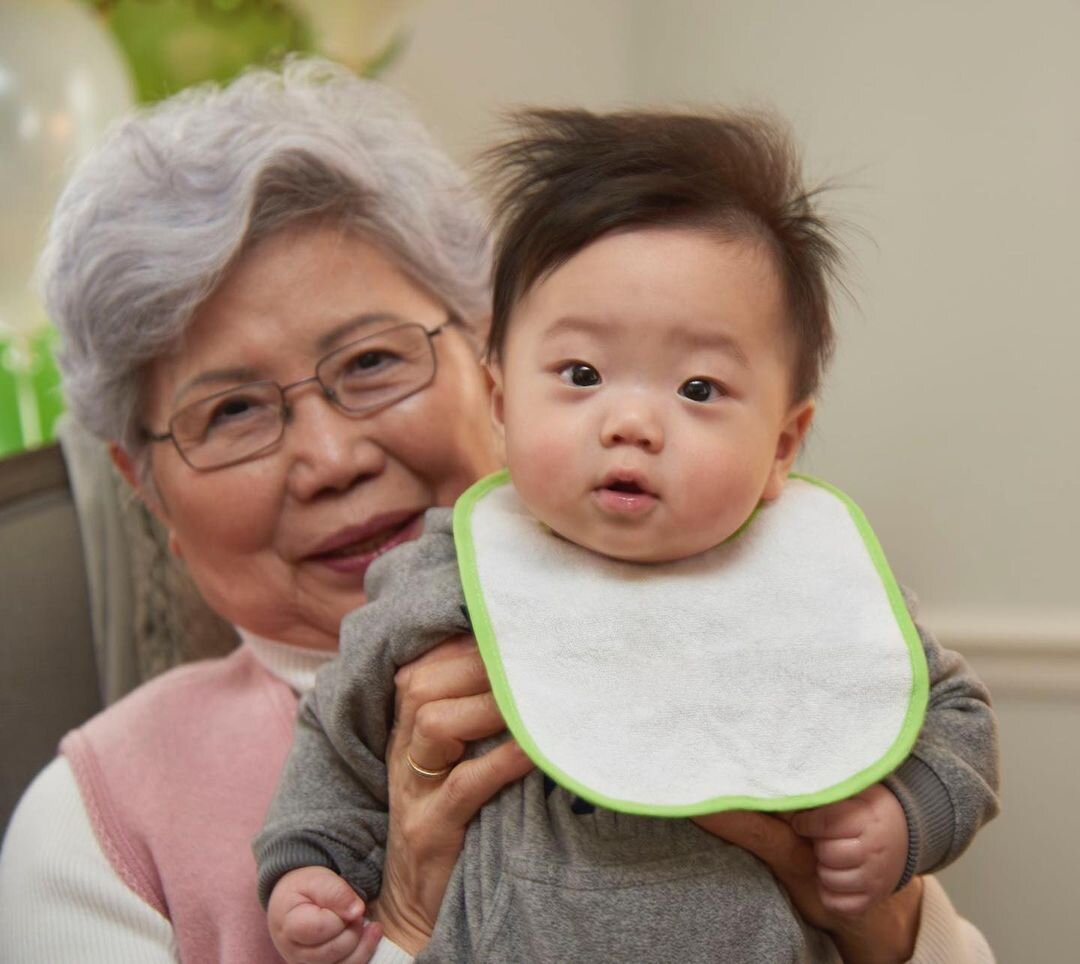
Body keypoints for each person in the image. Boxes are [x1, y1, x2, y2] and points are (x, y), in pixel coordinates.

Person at [0, 58, 990, 964]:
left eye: (373, 361)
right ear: (149, 489)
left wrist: (879, 919)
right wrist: (405, 921)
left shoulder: (743, 601)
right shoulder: (93, 830)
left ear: (486, 364)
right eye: (231, 412)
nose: (332, 458)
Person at [256, 109, 999, 962]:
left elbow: (952, 714)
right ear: (500, 404)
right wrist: (311, 860)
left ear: (782, 446)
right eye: (581, 374)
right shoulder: (453, 578)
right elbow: (338, 736)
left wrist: (904, 819)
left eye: (697, 387)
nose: (633, 421)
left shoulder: (803, 578)